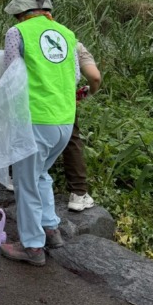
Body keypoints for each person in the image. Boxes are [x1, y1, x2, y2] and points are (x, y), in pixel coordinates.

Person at [0, 0, 78, 267]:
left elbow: (11, 77)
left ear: (22, 8)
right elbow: (77, 77)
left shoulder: (16, 33)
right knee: (42, 173)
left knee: (26, 183)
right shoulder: (67, 34)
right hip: (64, 121)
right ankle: (51, 228)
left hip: (35, 120)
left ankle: (32, 246)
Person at [63, 43, 101, 212]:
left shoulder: (23, 34)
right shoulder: (71, 41)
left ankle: (15, 178)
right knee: (72, 139)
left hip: (32, 99)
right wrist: (90, 92)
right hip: (63, 100)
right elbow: (94, 77)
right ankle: (78, 193)